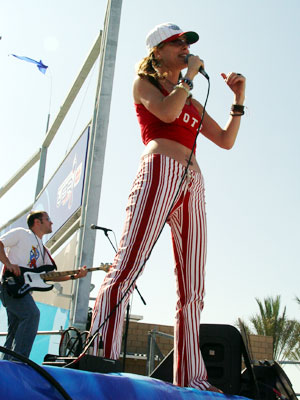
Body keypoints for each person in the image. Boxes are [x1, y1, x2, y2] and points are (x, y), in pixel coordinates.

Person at [89, 22, 246, 391]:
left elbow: (224, 140)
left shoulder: (189, 96)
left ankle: (191, 377)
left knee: (193, 287)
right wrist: (188, 78)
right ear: (157, 51)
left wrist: (238, 99)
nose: (184, 48)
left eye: (186, 44)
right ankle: (102, 358)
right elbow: (166, 114)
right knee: (127, 266)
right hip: (160, 171)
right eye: (176, 43)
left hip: (194, 182)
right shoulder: (148, 85)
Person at [0, 210, 88, 360]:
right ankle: (19, 361)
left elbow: (50, 275)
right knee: (32, 315)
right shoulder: (22, 233)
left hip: (23, 291)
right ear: (37, 222)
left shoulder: (44, 250)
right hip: (10, 286)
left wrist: (74, 276)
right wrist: (8, 263)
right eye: (48, 219)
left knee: (14, 331)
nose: (51, 222)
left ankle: (5, 368)